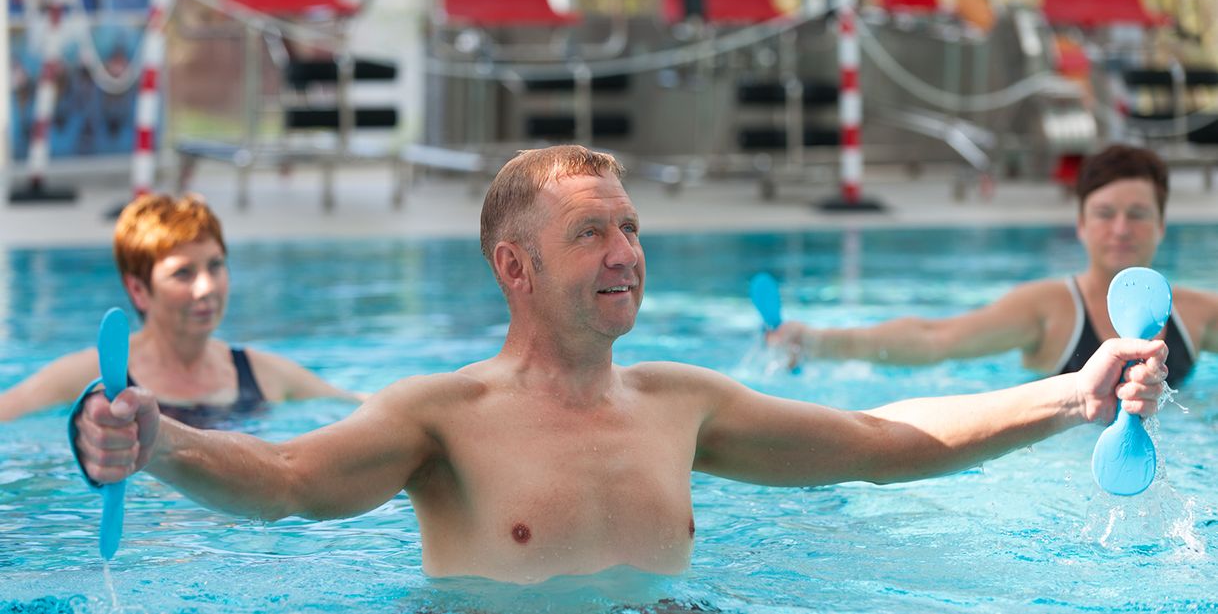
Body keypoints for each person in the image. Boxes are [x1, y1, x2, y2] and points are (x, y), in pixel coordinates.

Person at [72, 146, 1167, 585]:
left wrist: (1073, 394)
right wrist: (156, 440)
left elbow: (883, 443)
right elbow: (292, 481)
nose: (628, 253)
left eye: (632, 228)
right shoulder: (439, 415)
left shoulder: (682, 403)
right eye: (594, 231)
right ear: (515, 265)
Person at [769, 144, 1218, 382]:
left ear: (1162, 226)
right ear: (1080, 225)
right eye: (1105, 214)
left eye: (1138, 215)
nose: (1121, 229)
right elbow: (936, 338)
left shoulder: (1195, 313)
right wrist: (816, 341)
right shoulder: (1046, 308)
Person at [0, 193, 361, 425]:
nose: (206, 288)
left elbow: (357, 407)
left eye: (216, 266)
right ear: (138, 290)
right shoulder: (95, 376)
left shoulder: (260, 374)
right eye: (183, 273)